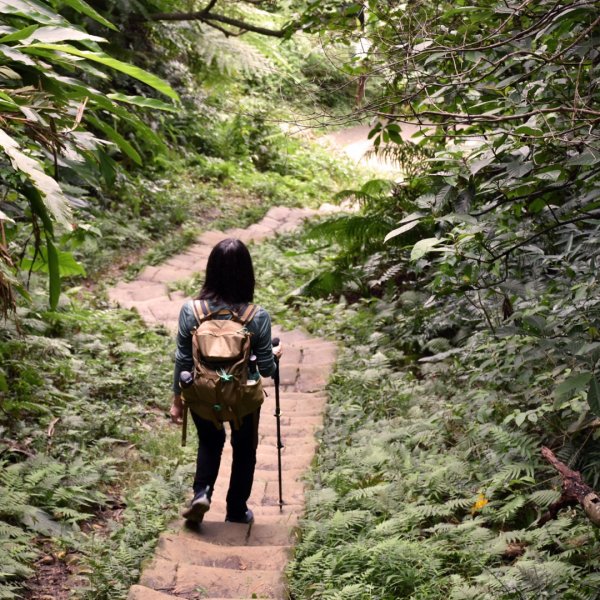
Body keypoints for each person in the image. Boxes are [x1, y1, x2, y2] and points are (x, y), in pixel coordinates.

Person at [170, 238, 282, 524]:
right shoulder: (256, 317)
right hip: (242, 397)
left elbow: (183, 360)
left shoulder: (190, 312)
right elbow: (266, 369)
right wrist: (274, 353)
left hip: (202, 394)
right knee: (244, 449)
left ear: (211, 270)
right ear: (247, 273)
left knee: (210, 442)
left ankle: (201, 493)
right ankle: (236, 510)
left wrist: (177, 400)